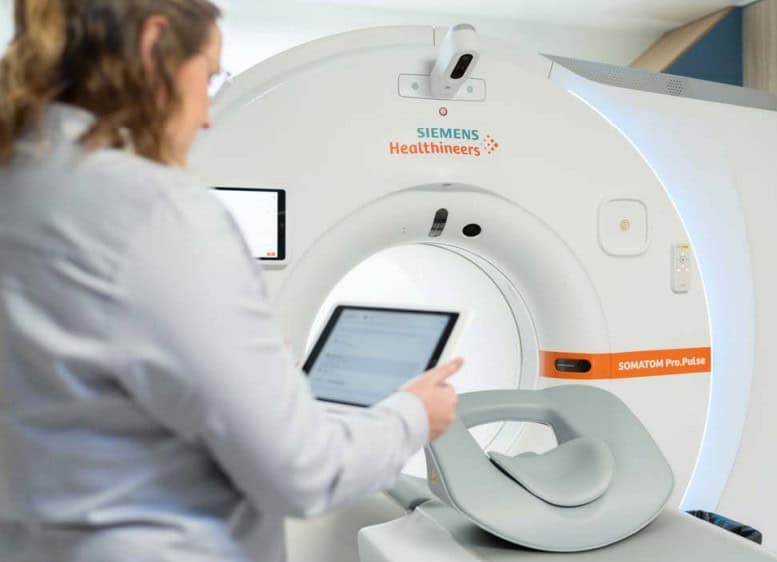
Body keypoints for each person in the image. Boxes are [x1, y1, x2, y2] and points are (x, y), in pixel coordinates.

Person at [0, 1, 462, 561]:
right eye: (209, 76)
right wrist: (413, 416)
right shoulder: (156, 209)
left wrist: (253, 379)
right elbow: (303, 472)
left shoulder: (21, 181)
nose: (207, 117)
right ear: (153, 43)